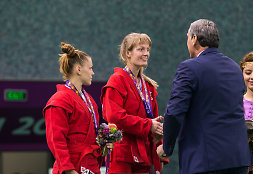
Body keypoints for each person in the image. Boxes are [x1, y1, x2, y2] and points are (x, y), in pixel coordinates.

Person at [156, 19, 252, 174]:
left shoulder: (189, 68)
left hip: (205, 160)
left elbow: (174, 113)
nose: (187, 42)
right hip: (237, 158)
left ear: (194, 39)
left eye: (188, 37)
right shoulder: (235, 68)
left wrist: (166, 147)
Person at [100, 33, 169, 174]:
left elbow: (155, 123)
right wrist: (148, 125)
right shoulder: (117, 81)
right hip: (123, 154)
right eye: (141, 49)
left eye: (148, 49)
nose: (146, 54)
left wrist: (161, 156)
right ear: (128, 53)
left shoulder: (148, 86)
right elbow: (115, 117)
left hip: (145, 154)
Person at [43, 42, 112, 174]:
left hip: (90, 165)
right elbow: (56, 140)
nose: (93, 72)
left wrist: (103, 142)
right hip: (72, 166)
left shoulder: (89, 99)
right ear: (78, 69)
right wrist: (68, 170)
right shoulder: (59, 100)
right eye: (90, 68)